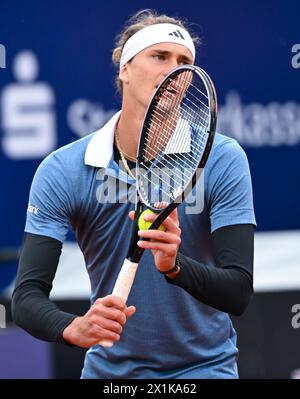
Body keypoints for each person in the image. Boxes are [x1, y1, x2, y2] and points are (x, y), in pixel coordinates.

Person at [11, 9, 256, 379]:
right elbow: (27, 297)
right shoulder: (63, 169)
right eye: (159, 56)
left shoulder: (223, 158)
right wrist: (71, 327)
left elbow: (237, 292)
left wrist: (174, 266)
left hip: (205, 369)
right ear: (124, 69)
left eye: (183, 61)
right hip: (109, 373)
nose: (173, 70)